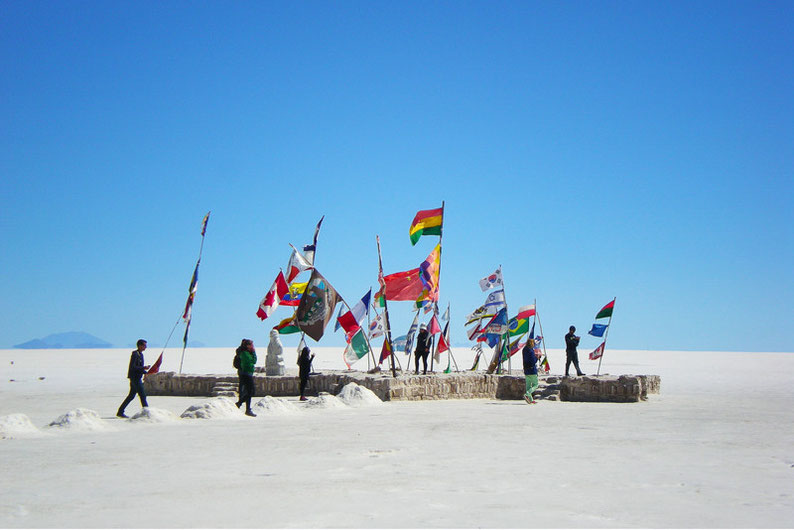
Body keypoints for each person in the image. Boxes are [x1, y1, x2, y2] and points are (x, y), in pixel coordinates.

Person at [117, 339, 151, 418]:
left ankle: (120, 411)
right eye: (144, 345)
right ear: (140, 346)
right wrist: (143, 367)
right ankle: (147, 413)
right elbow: (133, 367)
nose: (145, 347)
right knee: (142, 395)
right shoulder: (135, 354)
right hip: (134, 378)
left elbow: (139, 368)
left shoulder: (140, 355)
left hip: (137, 377)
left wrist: (145, 372)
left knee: (131, 396)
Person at [235, 338, 257, 417]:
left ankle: (247, 408)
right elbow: (250, 362)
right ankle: (239, 403)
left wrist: (253, 352)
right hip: (245, 373)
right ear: (247, 346)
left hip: (249, 373)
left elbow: (254, 361)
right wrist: (253, 353)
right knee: (251, 391)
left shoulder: (248, 352)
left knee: (249, 392)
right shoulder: (244, 353)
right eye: (251, 345)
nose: (252, 346)